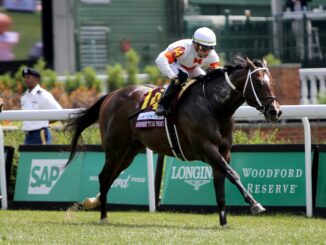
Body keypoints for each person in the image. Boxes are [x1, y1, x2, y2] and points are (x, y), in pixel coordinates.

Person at [155, 27, 221, 116]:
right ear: (195, 44)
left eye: (210, 48)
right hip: (174, 64)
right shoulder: (183, 49)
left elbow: (217, 74)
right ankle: (162, 105)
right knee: (182, 76)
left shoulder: (213, 56)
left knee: (205, 79)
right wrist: (172, 76)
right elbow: (160, 60)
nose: (207, 52)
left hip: (191, 67)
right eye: (204, 48)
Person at [21, 67, 62, 144]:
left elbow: (59, 112)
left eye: (28, 77)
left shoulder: (43, 95)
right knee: (28, 156)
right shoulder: (24, 96)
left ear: (37, 79)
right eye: (25, 77)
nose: (25, 80)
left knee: (42, 156)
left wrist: (44, 122)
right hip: (28, 135)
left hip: (40, 134)